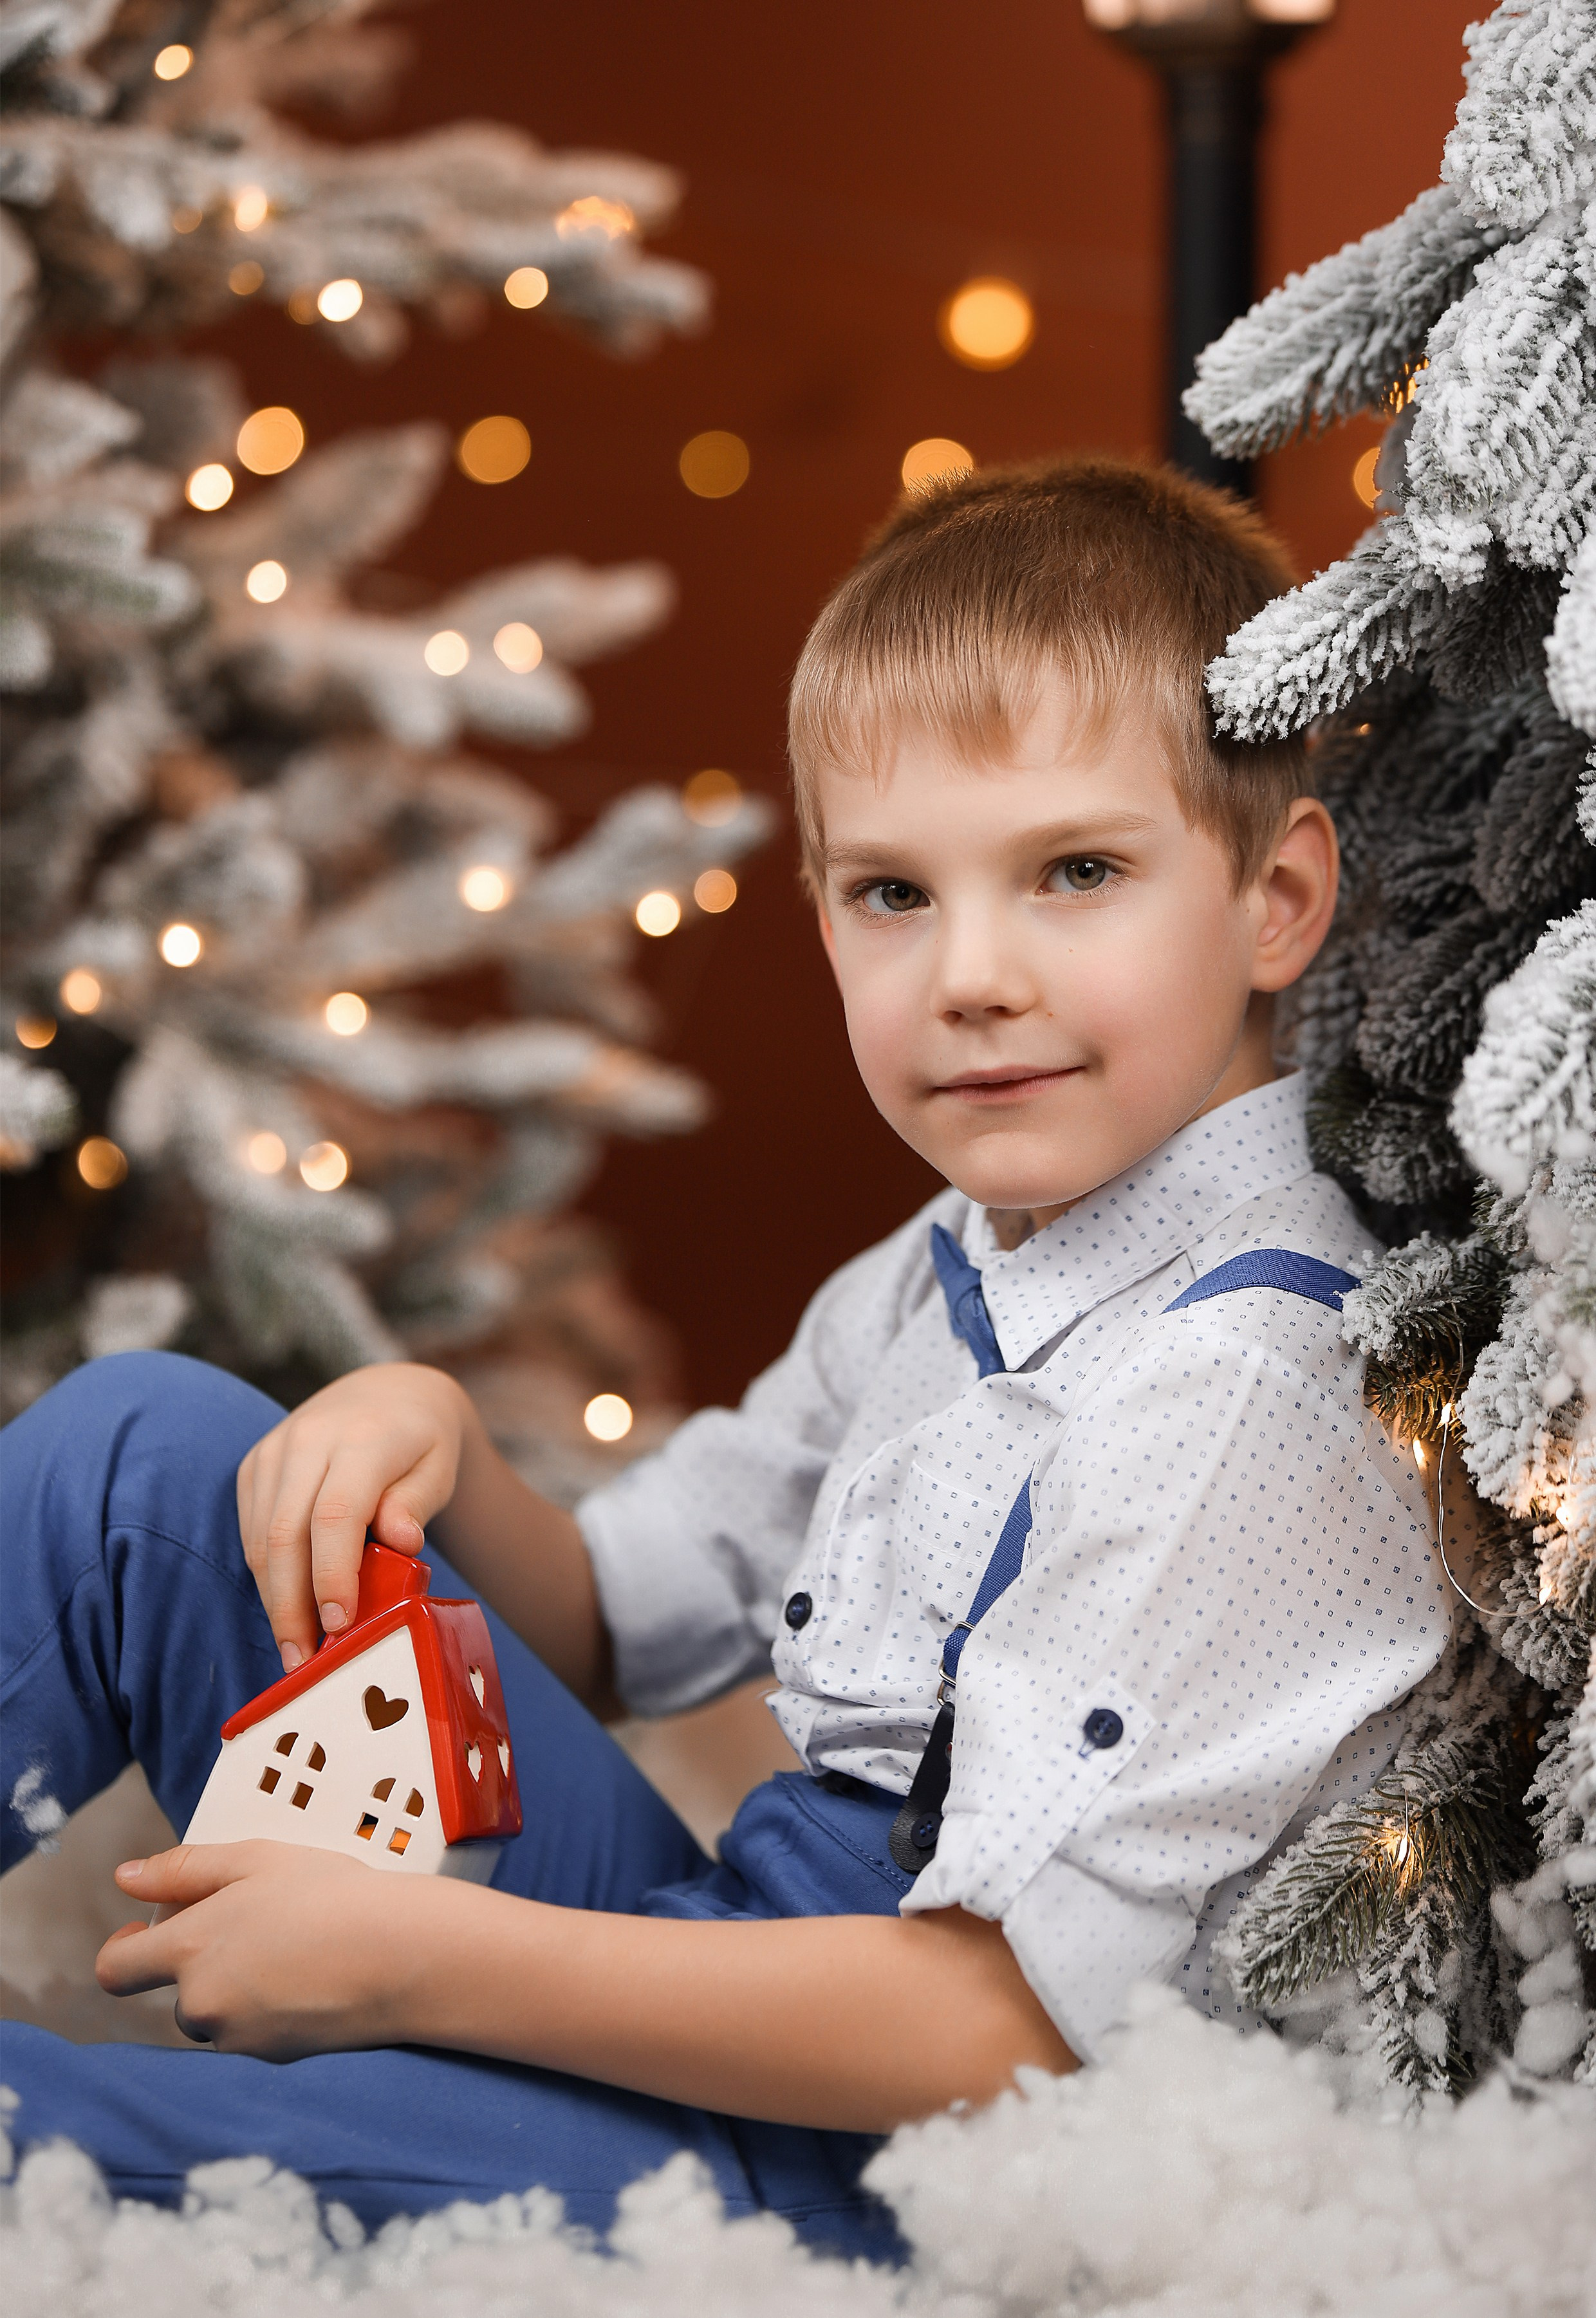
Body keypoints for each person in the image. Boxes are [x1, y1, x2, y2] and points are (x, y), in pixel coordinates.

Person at [0, 457, 1450, 2254]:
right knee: (149, 1454)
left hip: (880, 2164)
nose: (973, 972)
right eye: (894, 894)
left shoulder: (1240, 1390)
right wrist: (432, 1433)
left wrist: (430, 1963)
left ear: (1276, 900)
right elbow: (613, 1619)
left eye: (1076, 870)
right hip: (730, 1950)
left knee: (85, 2130)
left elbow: (1001, 2032)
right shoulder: (946, 1264)